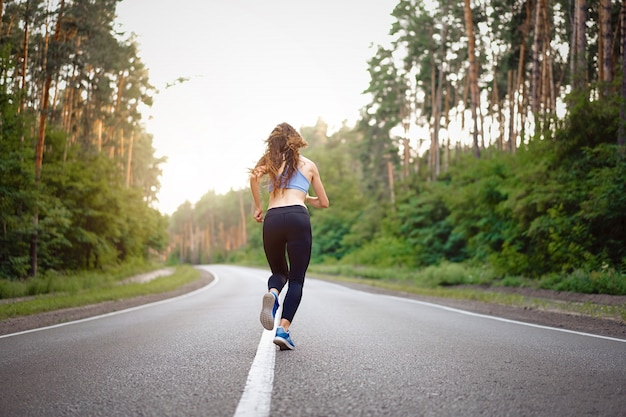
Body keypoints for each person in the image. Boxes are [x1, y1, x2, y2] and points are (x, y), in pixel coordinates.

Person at [249, 122, 329, 350]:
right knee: (296, 278)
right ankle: (283, 329)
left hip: (273, 218)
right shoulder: (309, 165)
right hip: (297, 217)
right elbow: (324, 202)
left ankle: (273, 293)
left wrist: (257, 206)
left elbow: (254, 177)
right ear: (296, 141)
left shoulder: (271, 162)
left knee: (278, 273)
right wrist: (305, 196)